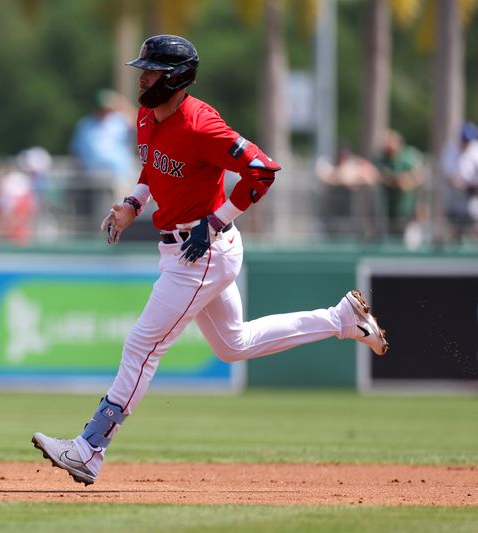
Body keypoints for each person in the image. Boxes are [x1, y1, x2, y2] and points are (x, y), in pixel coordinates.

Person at [32, 35, 389, 486]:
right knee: (232, 345)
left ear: (177, 78)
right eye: (144, 68)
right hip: (183, 248)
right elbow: (152, 167)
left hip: (203, 251)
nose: (143, 77)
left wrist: (217, 220)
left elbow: (262, 168)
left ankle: (89, 448)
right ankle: (340, 319)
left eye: (152, 70)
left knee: (143, 345)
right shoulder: (145, 115)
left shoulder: (202, 124)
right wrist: (132, 202)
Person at [69, 89, 137, 230]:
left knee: (118, 213)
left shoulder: (120, 121)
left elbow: (142, 121)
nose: (103, 111)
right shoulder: (85, 125)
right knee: (95, 218)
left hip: (117, 177)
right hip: (93, 178)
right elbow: (77, 152)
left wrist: (120, 103)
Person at [315, 141, 380, 239]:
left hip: (352, 211)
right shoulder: (327, 162)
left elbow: (372, 175)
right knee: (332, 234)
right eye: (342, 154)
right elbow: (327, 178)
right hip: (332, 211)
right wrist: (344, 177)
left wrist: (353, 179)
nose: (343, 157)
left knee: (351, 233)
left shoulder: (356, 162)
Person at [374, 129, 424, 243]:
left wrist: (406, 180)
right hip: (388, 211)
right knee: (391, 242)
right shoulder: (382, 158)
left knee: (410, 243)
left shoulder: (408, 156)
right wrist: (395, 180)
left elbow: (417, 177)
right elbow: (379, 174)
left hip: (408, 210)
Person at [441, 121, 478, 241]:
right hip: (455, 194)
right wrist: (463, 185)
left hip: (473, 196)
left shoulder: (475, 150)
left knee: (473, 222)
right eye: (464, 139)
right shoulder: (450, 149)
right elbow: (450, 175)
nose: (465, 143)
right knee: (454, 223)